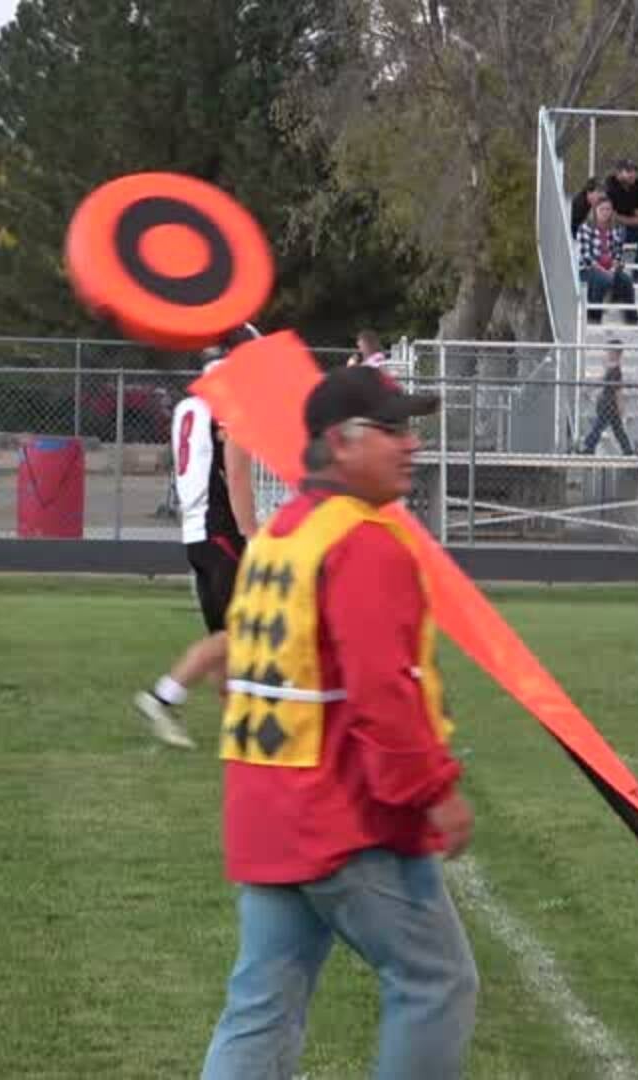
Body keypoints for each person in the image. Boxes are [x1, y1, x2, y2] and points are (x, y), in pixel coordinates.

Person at [200, 365, 474, 1079]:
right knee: (436, 982)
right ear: (341, 443)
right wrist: (433, 790)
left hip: (266, 809)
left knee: (260, 1004)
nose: (412, 445)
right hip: (341, 816)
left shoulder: (283, 534)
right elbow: (383, 690)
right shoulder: (364, 542)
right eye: (394, 430)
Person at [132, 349, 259, 749]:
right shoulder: (227, 416)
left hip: (195, 531)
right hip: (221, 530)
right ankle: (163, 696)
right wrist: (254, 534)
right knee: (237, 633)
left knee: (222, 634)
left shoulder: (188, 409)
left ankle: (237, 727)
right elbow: (237, 478)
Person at [576, 197, 638, 325]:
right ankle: (594, 317)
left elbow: (618, 254)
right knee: (602, 279)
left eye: (608, 209)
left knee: (626, 281)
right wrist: (604, 270)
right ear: (595, 211)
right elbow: (586, 257)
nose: (605, 212)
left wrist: (613, 269)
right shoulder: (585, 228)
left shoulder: (616, 229)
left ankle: (632, 319)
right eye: (602, 209)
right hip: (589, 269)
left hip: (610, 268)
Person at [603, 158, 638, 273]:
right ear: (618, 173)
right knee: (619, 231)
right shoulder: (609, 186)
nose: (633, 174)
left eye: (634, 170)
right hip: (611, 227)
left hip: (631, 227)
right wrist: (637, 221)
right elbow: (610, 216)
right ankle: (613, 271)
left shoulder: (637, 185)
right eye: (628, 171)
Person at [578, 346, 635, 455]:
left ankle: (588, 447)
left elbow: (618, 391)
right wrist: (590, 389)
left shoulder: (616, 371)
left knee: (599, 427)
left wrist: (620, 406)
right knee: (616, 430)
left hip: (609, 405)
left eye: (610, 351)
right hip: (608, 404)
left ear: (616, 353)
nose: (607, 354)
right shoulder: (611, 369)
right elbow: (602, 381)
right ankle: (627, 450)